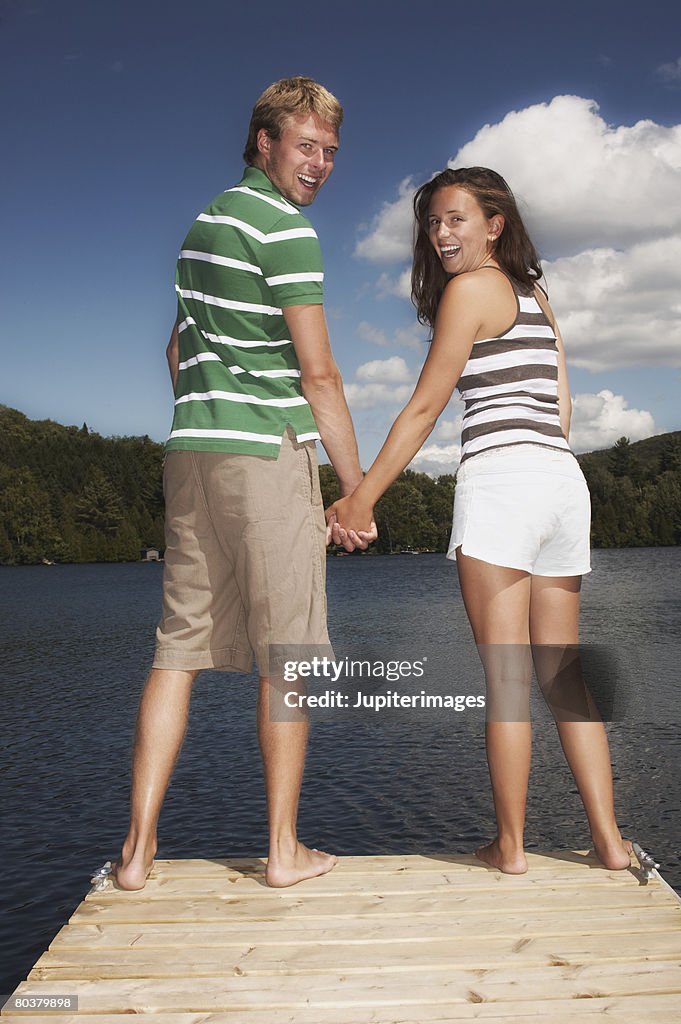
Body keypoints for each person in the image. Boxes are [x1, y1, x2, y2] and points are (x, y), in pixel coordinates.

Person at [326, 166, 631, 874]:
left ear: (494, 224)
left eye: (456, 219)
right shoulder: (536, 297)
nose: (439, 234)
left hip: (501, 482)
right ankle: (609, 842)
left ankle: (511, 847)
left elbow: (426, 406)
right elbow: (562, 408)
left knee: (505, 679)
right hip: (560, 480)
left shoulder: (468, 293)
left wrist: (362, 497)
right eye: (432, 222)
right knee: (562, 675)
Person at [113, 76, 375, 892]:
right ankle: (283, 851)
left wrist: (210, 412)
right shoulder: (284, 229)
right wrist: (356, 491)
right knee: (287, 658)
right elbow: (320, 375)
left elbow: (173, 352)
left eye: (331, 152)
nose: (320, 164)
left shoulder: (203, 227)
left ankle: (136, 856)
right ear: (262, 141)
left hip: (190, 454)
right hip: (266, 456)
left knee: (177, 650)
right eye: (306, 146)